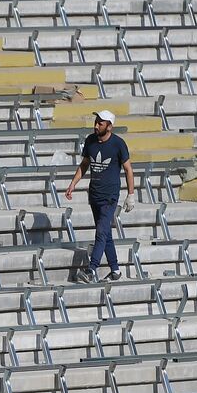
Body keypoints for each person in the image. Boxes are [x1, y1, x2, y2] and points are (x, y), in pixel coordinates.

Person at [64, 109, 135, 283]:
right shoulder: (90, 141)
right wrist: (73, 184)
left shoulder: (118, 144)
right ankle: (115, 270)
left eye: (100, 123)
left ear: (109, 127)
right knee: (105, 234)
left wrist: (130, 194)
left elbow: (128, 169)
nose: (96, 126)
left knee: (101, 233)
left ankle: (91, 270)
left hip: (109, 196)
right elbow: (85, 164)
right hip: (94, 194)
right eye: (96, 122)